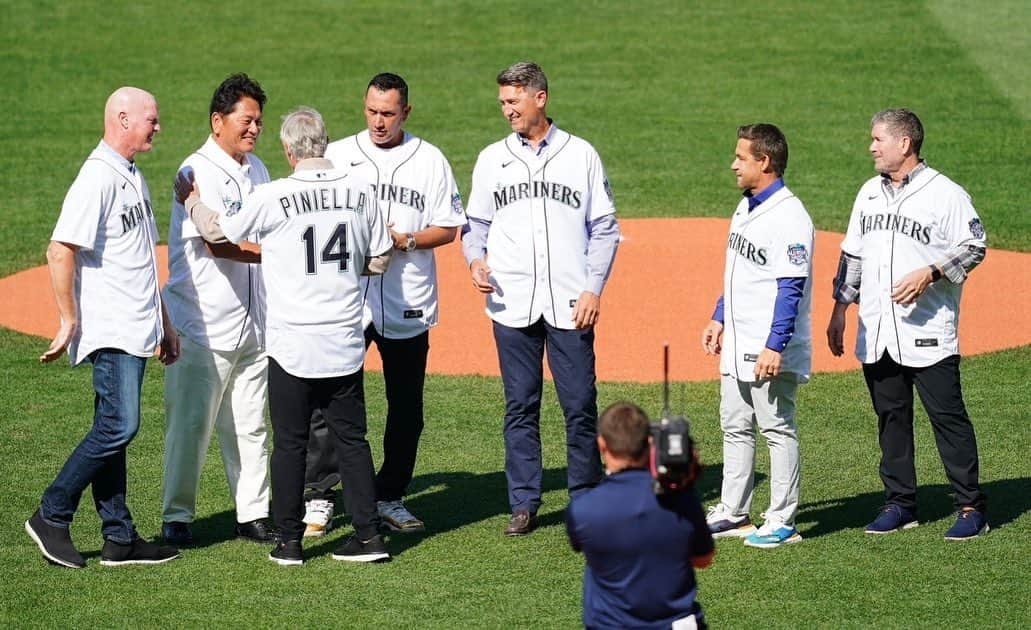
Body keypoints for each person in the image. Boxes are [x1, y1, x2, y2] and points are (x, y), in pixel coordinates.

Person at [176, 106, 394, 565]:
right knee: (352, 441)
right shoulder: (360, 191)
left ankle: (290, 542)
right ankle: (370, 537)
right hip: (343, 340)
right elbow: (379, 258)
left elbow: (219, 231)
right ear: (324, 144)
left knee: (290, 442)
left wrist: (191, 200)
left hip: (292, 343)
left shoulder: (275, 195)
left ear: (289, 151)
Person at [298, 72, 466, 536]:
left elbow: (448, 227)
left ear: (405, 112)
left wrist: (406, 240)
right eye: (372, 111)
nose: (378, 121)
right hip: (348, 300)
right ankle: (320, 496)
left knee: (406, 406)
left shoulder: (429, 160)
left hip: (407, 298)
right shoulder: (341, 156)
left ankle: (390, 494)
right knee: (328, 399)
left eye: (388, 113)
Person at [462, 61, 620, 536]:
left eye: (513, 101)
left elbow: (605, 229)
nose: (506, 109)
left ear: (540, 98)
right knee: (520, 404)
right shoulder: (492, 158)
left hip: (572, 302)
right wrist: (475, 260)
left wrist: (594, 287)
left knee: (579, 404)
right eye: (502, 102)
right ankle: (524, 502)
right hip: (511, 303)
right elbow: (476, 225)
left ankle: (586, 497)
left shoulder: (581, 155)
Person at [25, 87, 181, 568]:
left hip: (138, 325)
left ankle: (119, 537)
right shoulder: (97, 178)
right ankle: (51, 514)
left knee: (111, 430)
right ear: (122, 118)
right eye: (151, 119)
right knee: (119, 425)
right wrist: (69, 318)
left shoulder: (131, 174)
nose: (158, 127)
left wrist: (165, 322)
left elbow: (138, 259)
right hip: (112, 329)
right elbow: (60, 249)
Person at [827, 108, 989, 541]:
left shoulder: (946, 194)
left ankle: (971, 506)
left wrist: (930, 272)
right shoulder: (869, 193)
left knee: (948, 419)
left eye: (878, 139)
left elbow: (974, 245)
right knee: (890, 419)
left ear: (905, 143)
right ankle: (901, 504)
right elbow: (853, 255)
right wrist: (839, 310)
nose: (871, 147)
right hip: (878, 332)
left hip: (929, 332)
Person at [160, 73, 273, 545]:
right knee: (190, 427)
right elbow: (218, 244)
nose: (254, 130)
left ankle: (253, 514)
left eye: (259, 122)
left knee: (251, 425)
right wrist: (275, 254)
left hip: (254, 323)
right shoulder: (197, 170)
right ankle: (177, 517)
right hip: (202, 324)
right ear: (218, 120)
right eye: (247, 121)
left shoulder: (259, 169)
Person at [701, 123, 813, 549]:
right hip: (738, 342)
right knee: (734, 424)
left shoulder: (789, 216)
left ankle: (782, 520)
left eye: (741, 157)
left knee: (776, 428)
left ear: (764, 162)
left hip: (768, 347)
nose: (733, 164)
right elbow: (740, 275)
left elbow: (790, 287)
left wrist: (774, 346)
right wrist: (718, 317)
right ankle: (734, 511)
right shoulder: (746, 206)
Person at [566, 402, 714, 629]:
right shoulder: (682, 500)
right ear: (649, 443)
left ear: (602, 445)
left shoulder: (583, 509)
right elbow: (703, 559)